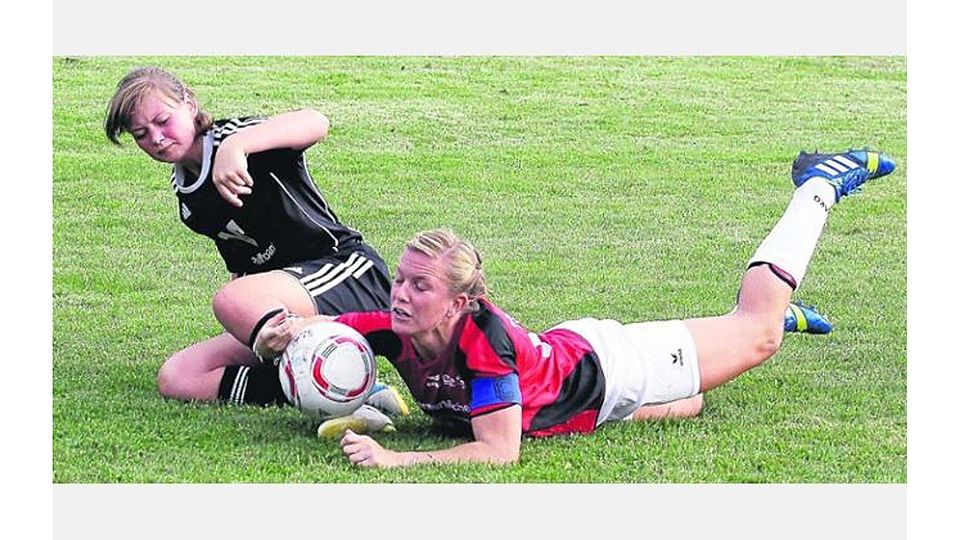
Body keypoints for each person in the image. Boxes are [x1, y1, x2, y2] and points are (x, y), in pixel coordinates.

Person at [253, 147, 895, 468]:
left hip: (617, 366)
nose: (399, 294)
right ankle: (764, 315)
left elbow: (499, 452)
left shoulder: (486, 341)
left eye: (421, 287)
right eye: (401, 280)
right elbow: (323, 326)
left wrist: (401, 460)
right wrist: (282, 337)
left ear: (462, 303)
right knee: (689, 404)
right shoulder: (398, 328)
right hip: (575, 386)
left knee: (754, 336)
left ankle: (818, 183)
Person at [104, 67, 407, 423]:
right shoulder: (187, 196)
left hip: (344, 272)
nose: (156, 137)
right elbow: (244, 263)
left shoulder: (235, 138)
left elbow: (315, 121)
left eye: (163, 120)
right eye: (141, 134)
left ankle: (354, 364)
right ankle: (347, 394)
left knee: (231, 299)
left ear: (189, 103)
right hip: (288, 303)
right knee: (179, 376)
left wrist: (238, 146)